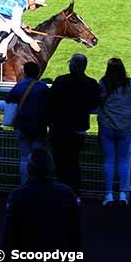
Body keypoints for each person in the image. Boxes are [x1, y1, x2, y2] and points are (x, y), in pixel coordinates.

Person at [1, 148, 81, 262]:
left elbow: (8, 235)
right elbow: (75, 233)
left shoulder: (18, 196)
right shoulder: (67, 193)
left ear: (29, 169)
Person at [48, 53, 101, 201]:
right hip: (78, 129)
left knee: (60, 163)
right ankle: (74, 194)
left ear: (71, 66)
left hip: (59, 129)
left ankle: (61, 194)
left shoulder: (60, 81)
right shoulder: (91, 83)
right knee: (73, 162)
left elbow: (50, 102)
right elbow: (95, 103)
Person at [97, 58, 131, 207]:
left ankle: (108, 195)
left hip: (107, 125)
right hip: (125, 126)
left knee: (108, 160)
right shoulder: (129, 84)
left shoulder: (103, 83)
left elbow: (98, 101)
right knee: (123, 160)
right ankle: (122, 194)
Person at [5, 62, 50, 185]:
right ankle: (37, 184)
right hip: (38, 127)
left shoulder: (19, 86)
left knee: (24, 158)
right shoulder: (43, 87)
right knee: (38, 158)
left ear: (25, 72)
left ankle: (24, 184)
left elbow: (8, 99)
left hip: (22, 126)